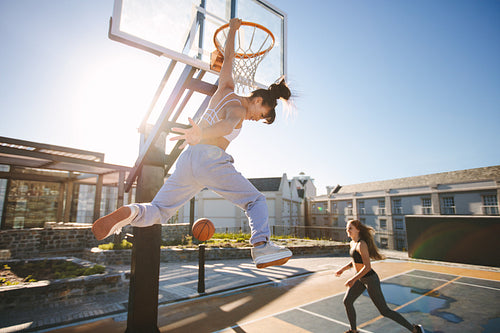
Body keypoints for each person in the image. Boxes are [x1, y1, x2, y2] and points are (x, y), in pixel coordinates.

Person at [91, 18, 292, 269]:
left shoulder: (225, 87)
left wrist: (232, 31)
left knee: (159, 210)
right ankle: (262, 247)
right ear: (259, 100)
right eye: (260, 114)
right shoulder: (239, 111)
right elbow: (227, 126)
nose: (255, 118)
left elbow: (228, 59)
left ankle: (130, 213)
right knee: (255, 201)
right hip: (210, 158)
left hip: (189, 159)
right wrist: (204, 135)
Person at [335, 219, 425, 333]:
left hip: (370, 279)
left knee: (384, 311)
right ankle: (353, 331)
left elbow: (367, 267)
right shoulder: (352, 243)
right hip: (360, 278)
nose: (347, 230)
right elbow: (355, 261)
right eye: (347, 228)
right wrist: (342, 269)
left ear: (357, 230)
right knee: (347, 301)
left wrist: (353, 279)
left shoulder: (361, 244)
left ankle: (415, 329)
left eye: (350, 228)